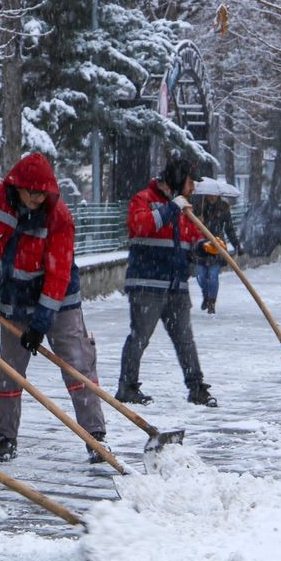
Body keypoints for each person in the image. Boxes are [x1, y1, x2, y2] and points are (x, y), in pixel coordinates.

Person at [0, 152, 108, 464]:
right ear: (16, 186)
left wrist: (42, 322)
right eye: (31, 192)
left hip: (59, 305)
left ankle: (95, 436)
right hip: (14, 302)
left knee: (78, 367)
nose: (37, 198)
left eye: (42, 192)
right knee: (8, 373)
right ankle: (5, 437)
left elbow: (58, 274)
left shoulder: (57, 216)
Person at [115, 156, 216, 408]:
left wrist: (204, 247)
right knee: (140, 337)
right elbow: (141, 226)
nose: (193, 189)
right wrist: (172, 208)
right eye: (191, 182)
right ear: (180, 179)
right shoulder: (144, 200)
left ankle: (197, 387)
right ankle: (127, 387)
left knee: (185, 339)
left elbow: (190, 240)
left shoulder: (185, 210)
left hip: (176, 286)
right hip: (147, 285)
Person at [194, 193, 242, 314]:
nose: (212, 197)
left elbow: (229, 229)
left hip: (217, 247)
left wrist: (236, 244)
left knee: (213, 276)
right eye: (210, 195)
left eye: (214, 195)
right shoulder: (199, 208)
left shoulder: (223, 209)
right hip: (201, 246)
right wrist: (197, 222)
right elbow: (188, 227)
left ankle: (211, 301)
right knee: (201, 276)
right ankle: (206, 295)